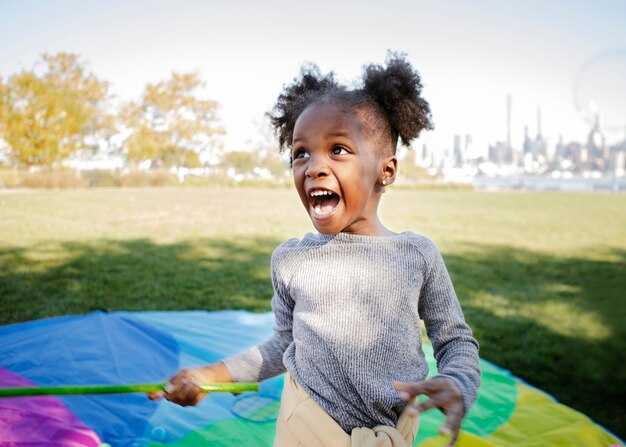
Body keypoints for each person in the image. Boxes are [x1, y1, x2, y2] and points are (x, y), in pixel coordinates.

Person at [149, 52, 480, 447]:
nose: (313, 167)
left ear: (385, 170)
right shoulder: (291, 259)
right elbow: (283, 343)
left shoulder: (418, 255)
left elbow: (454, 340)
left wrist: (458, 381)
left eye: (338, 150)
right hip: (304, 429)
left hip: (392, 435)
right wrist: (212, 375)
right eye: (300, 153)